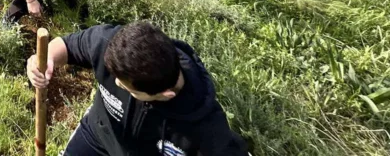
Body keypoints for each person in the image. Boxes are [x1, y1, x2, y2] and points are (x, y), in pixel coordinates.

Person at [27, 21, 249, 156]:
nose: (114, 84)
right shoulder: (113, 45)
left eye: (127, 88)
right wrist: (44, 60)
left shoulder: (207, 130)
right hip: (97, 136)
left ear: (165, 95)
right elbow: (68, 45)